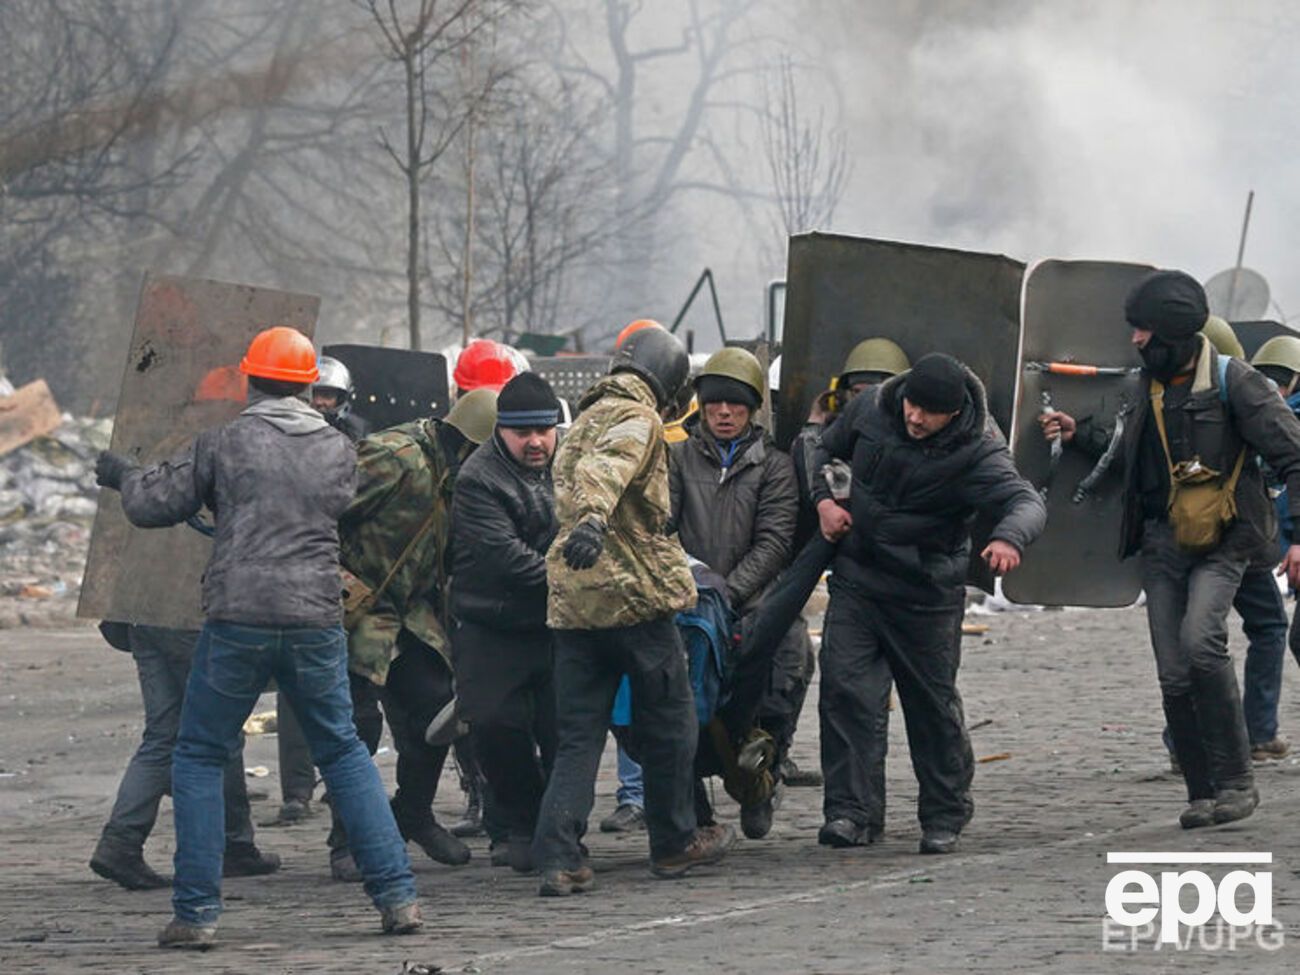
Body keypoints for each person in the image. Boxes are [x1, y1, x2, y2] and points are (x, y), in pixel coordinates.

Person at [95, 325, 421, 948]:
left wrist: (123, 474)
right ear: (309, 385)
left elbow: (152, 504)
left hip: (239, 618)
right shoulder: (337, 451)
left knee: (196, 755)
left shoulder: (224, 442)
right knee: (346, 752)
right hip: (316, 620)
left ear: (250, 378)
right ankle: (398, 896)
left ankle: (195, 914)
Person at [1040, 270, 1300, 829]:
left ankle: (1236, 782)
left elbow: (1294, 455)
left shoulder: (1239, 383)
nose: (1135, 340)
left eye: (1145, 331)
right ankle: (1203, 791)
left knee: (1202, 642)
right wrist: (1075, 433)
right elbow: (1122, 452)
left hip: (1225, 539)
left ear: (1175, 336)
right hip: (1160, 541)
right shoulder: (1144, 386)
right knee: (1174, 672)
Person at [811, 352, 1045, 853]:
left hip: (926, 592)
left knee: (931, 705)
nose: (915, 418)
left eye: (928, 412)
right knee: (845, 692)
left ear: (954, 413)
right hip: (858, 577)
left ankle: (944, 813)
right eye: (912, 405)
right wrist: (824, 501)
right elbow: (818, 446)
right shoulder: (873, 408)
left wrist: (1009, 539)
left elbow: (1025, 501)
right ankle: (851, 813)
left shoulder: (981, 450)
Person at [533, 325, 735, 895]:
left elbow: (583, 473)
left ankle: (558, 855)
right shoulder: (637, 417)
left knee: (577, 738)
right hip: (635, 603)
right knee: (670, 725)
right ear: (670, 379)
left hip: (574, 608)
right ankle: (674, 843)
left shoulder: (577, 424)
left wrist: (587, 521)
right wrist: (595, 519)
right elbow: (610, 469)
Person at [333, 386, 499, 876]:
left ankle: (413, 813)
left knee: (437, 713)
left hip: (411, 615)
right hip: (360, 608)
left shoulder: (459, 479)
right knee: (356, 727)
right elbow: (324, 508)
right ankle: (347, 839)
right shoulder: (395, 456)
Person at [667, 346, 798, 839]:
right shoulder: (675, 459)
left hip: (755, 606)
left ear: (753, 408)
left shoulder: (775, 468)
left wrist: (730, 593)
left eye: (736, 404)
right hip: (688, 602)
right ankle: (690, 803)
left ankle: (758, 783)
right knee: (679, 709)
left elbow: (774, 542)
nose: (724, 413)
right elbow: (663, 528)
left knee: (775, 692)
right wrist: (695, 585)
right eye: (716, 403)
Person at [450, 372, 562, 872]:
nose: (536, 442)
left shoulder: (573, 466)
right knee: (496, 727)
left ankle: (552, 826)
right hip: (491, 623)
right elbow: (509, 561)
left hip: (557, 624)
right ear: (502, 432)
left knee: (564, 730)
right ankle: (514, 821)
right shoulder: (478, 479)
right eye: (524, 433)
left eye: (544, 430)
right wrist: (582, 578)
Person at [90, 624, 279, 890]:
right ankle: (233, 846)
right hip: (191, 618)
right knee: (219, 729)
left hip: (140, 615)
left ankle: (121, 841)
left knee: (162, 736)